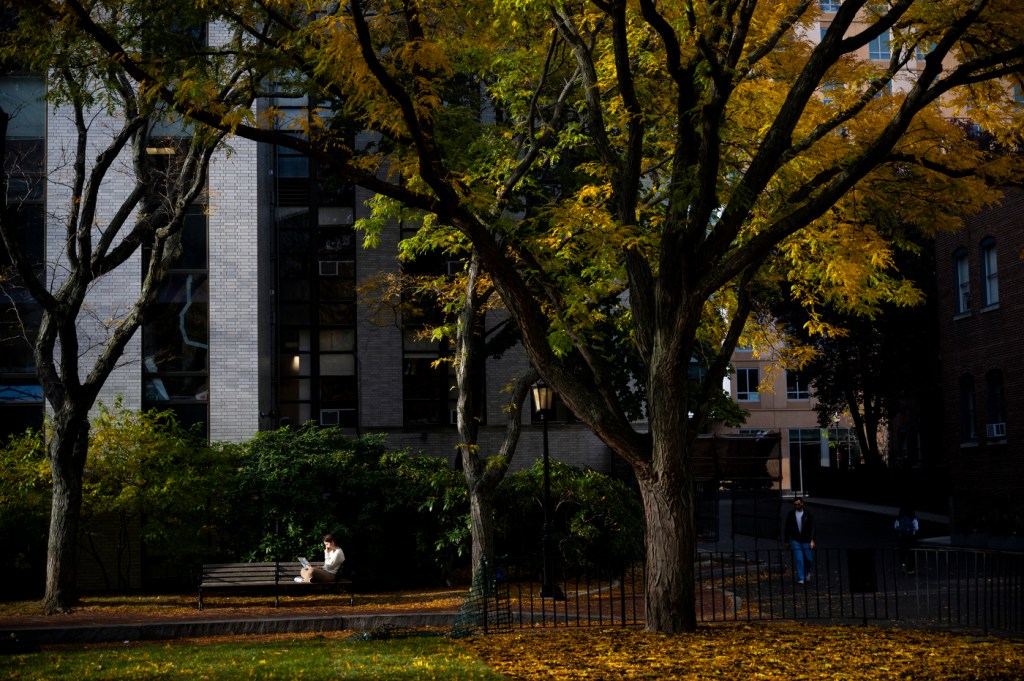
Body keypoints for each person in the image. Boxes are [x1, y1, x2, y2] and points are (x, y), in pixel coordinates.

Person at [783, 496, 816, 584]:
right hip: (795, 539)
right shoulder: (791, 514)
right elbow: (787, 528)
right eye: (795, 505)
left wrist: (812, 540)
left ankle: (807, 572)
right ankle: (802, 577)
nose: (797, 506)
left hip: (806, 539)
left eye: (798, 504)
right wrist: (786, 540)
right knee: (799, 558)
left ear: (802, 503)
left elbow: (812, 527)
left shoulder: (808, 514)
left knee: (809, 559)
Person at [895, 506, 919, 575]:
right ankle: (910, 569)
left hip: (902, 538)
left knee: (902, 554)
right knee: (910, 554)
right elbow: (916, 528)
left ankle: (903, 567)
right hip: (910, 538)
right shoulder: (913, 518)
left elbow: (896, 526)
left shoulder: (899, 518)